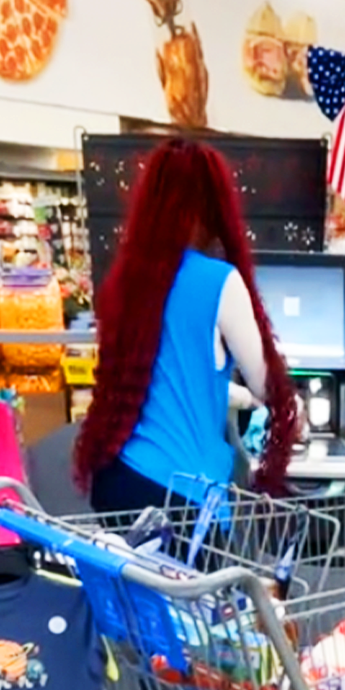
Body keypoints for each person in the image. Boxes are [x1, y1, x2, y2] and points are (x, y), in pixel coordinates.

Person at [73, 138, 301, 513]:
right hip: (182, 500)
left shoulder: (129, 279)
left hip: (116, 481)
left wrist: (233, 396)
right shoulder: (219, 281)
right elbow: (268, 386)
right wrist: (298, 410)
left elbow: (168, 378)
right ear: (213, 208)